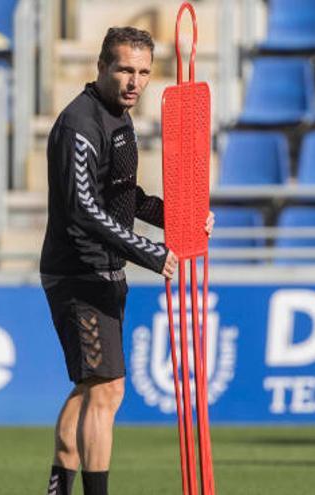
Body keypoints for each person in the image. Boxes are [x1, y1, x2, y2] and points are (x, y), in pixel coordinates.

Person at [40, 27, 213, 495]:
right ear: (100, 68)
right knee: (107, 389)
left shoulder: (120, 117)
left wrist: (182, 217)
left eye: (142, 72)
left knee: (89, 389)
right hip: (79, 273)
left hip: (105, 270)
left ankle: (58, 489)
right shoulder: (80, 123)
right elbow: (83, 208)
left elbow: (122, 195)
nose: (134, 81)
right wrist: (151, 252)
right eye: (124, 70)